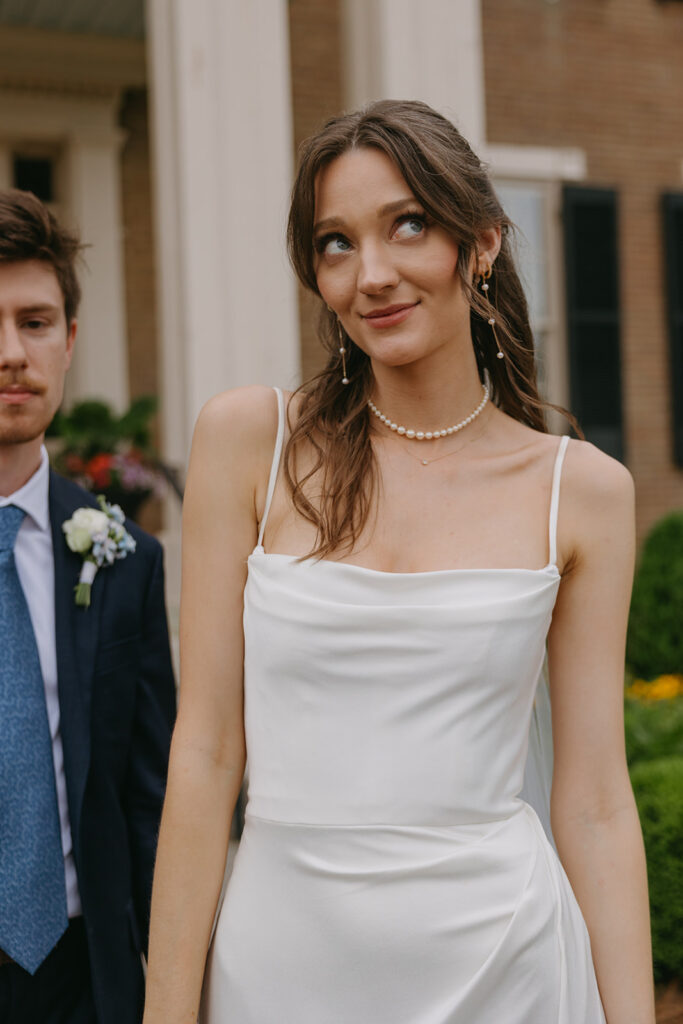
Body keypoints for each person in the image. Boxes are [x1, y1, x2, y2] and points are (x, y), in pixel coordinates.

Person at [143, 101, 655, 1023]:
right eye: (335, 244)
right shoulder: (247, 441)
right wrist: (166, 1011)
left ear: (483, 243)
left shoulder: (580, 492)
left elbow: (593, 801)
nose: (370, 275)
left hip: (506, 967)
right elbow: (208, 750)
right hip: (282, 966)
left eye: (406, 225)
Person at [0, 189, 176, 1024]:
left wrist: (180, 987)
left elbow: (150, 802)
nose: (12, 353)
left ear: (69, 342)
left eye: (35, 322)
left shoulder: (124, 562)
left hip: (86, 982)